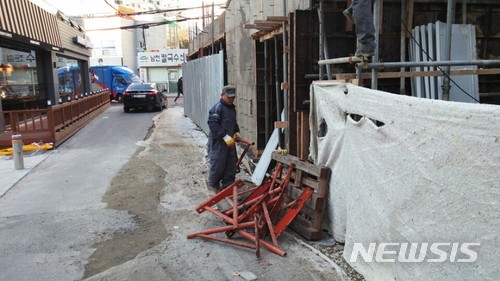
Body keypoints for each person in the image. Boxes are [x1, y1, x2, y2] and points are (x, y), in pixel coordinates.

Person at [206, 85, 241, 190]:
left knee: (231, 165)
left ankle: (228, 186)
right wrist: (224, 136)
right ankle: (214, 186)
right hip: (219, 143)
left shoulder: (232, 109)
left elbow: (233, 123)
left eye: (233, 97)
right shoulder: (217, 108)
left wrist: (236, 131)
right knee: (218, 165)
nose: (231, 99)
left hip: (229, 142)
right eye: (229, 97)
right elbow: (213, 124)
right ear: (222, 95)